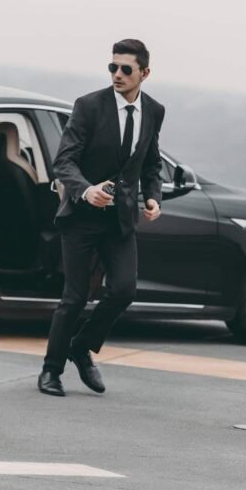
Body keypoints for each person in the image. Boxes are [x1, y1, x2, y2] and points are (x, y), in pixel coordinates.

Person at [37, 39, 165, 397]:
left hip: (120, 220)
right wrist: (85, 189)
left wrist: (153, 197)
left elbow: (151, 162)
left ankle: (82, 346)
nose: (118, 74)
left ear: (145, 73)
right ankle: (51, 370)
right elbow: (63, 161)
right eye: (113, 67)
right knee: (74, 298)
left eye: (126, 69)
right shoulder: (89, 106)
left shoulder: (154, 111)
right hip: (81, 218)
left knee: (124, 290)